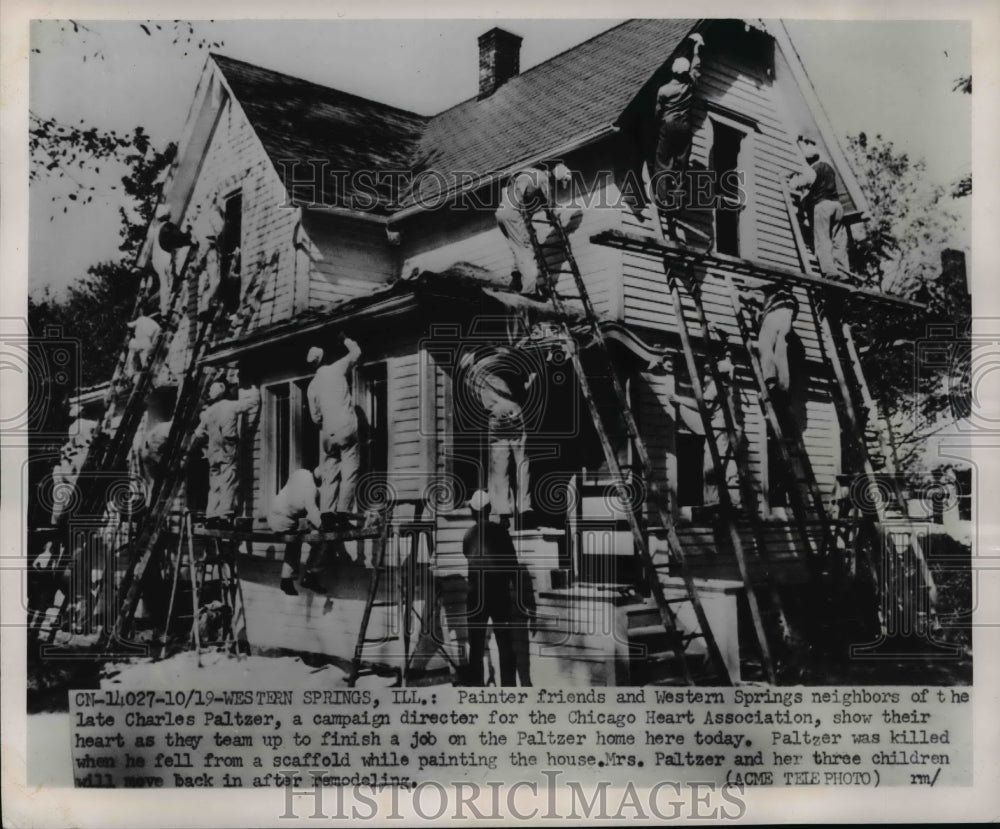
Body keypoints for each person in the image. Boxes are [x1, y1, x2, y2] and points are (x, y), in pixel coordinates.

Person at [462, 490, 532, 687]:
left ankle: (475, 690)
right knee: (505, 644)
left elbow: (469, 556)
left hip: (475, 596)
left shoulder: (468, 535)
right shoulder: (501, 532)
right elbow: (513, 566)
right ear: (489, 509)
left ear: (472, 512)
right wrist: (521, 597)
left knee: (475, 646)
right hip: (498, 594)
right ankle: (508, 689)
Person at [461, 348, 537, 527]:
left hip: (494, 416)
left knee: (499, 465)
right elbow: (524, 389)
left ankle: (503, 509)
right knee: (522, 460)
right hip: (514, 411)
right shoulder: (506, 365)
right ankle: (525, 507)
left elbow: (475, 399)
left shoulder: (473, 377)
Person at [670, 339, 742, 508]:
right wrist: (725, 343)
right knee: (730, 465)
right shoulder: (729, 384)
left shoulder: (715, 386)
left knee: (712, 464)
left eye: (708, 372)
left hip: (719, 429)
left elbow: (703, 406)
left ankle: (713, 502)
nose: (707, 375)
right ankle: (735, 502)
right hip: (733, 428)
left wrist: (680, 399)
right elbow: (729, 359)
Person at [307, 335, 361, 530]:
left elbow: (315, 418)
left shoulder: (312, 385)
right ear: (325, 357)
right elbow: (356, 353)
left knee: (330, 472)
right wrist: (346, 339)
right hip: (346, 426)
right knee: (350, 470)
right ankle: (343, 513)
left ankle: (327, 514)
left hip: (328, 432)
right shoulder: (337, 368)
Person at [651, 33, 705, 227]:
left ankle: (665, 200)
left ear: (673, 72)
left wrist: (658, 126)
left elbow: (657, 113)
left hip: (669, 125)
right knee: (681, 167)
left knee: (662, 163)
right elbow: (696, 67)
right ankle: (678, 202)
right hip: (685, 126)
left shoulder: (664, 90)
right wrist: (696, 49)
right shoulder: (689, 85)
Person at [495, 163, 572, 297]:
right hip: (514, 214)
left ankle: (517, 278)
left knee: (518, 245)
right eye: (558, 184)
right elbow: (548, 202)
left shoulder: (533, 173)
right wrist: (553, 218)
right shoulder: (544, 180)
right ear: (556, 178)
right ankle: (529, 291)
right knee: (527, 248)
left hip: (502, 212)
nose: (556, 187)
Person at [192, 381, 260, 530]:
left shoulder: (208, 412)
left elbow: (198, 432)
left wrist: (208, 437)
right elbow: (253, 403)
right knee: (229, 479)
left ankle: (211, 516)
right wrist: (255, 389)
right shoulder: (230, 405)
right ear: (224, 393)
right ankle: (225, 516)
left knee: (215, 483)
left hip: (213, 450)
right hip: (228, 446)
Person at [788, 136, 852, 281]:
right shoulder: (829, 168)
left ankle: (830, 271)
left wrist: (793, 180)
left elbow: (800, 183)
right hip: (837, 206)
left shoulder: (814, 168)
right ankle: (843, 272)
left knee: (822, 239)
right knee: (839, 241)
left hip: (822, 206)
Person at [268, 468, 326, 595]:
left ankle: (286, 579)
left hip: (274, 517)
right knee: (321, 540)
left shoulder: (300, 474)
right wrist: (323, 526)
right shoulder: (310, 489)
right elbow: (312, 511)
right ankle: (311, 574)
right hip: (283, 521)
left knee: (295, 542)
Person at [150, 207, 194, 316]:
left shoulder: (157, 228)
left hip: (157, 259)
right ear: (167, 216)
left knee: (165, 284)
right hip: (164, 258)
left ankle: (163, 307)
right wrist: (189, 232)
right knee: (167, 285)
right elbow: (180, 239)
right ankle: (165, 310)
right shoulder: (167, 227)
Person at [124, 313, 162, 382]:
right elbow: (156, 337)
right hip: (148, 344)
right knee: (145, 360)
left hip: (142, 342)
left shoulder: (141, 319)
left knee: (132, 346)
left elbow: (130, 325)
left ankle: (130, 373)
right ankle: (145, 373)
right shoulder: (157, 326)